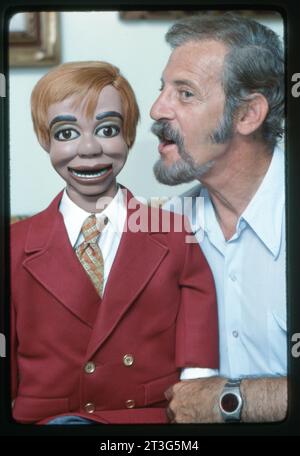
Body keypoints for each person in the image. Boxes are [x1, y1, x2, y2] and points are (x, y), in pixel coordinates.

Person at [10, 61, 219, 425]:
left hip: (144, 420)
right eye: (65, 133)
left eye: (107, 129)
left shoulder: (173, 233)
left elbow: (197, 343)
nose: (89, 148)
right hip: (45, 420)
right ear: (44, 139)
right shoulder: (14, 244)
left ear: (129, 137)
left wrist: (196, 398)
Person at [150, 13, 287, 423]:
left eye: (185, 94)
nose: (158, 109)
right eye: (163, 89)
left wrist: (228, 401)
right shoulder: (162, 228)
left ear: (247, 115)